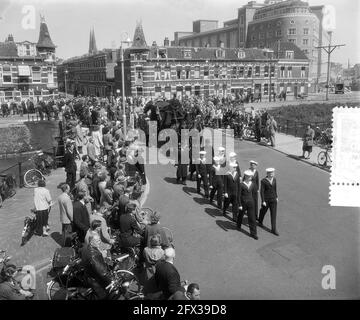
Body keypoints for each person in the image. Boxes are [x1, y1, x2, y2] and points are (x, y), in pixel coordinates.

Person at [79, 233, 112, 300]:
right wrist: (111, 280)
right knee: (103, 295)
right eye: (97, 241)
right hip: (94, 280)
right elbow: (102, 272)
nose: (99, 242)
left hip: (88, 274)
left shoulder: (85, 248)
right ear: (91, 242)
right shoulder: (93, 255)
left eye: (99, 240)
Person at [238, 170, 258, 240]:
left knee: (252, 218)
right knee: (241, 215)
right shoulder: (241, 184)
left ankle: (253, 233)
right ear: (245, 176)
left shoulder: (253, 184)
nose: (250, 178)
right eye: (249, 176)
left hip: (251, 203)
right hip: (243, 203)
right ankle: (238, 225)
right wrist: (239, 204)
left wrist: (254, 203)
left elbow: (254, 194)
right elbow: (239, 195)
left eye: (251, 177)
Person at [258, 168, 279, 236]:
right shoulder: (263, 181)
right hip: (266, 200)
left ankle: (273, 229)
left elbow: (275, 189)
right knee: (263, 211)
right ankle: (260, 221)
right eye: (270, 173)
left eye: (272, 173)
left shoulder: (274, 179)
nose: (272, 174)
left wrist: (276, 197)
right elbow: (262, 191)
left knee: (273, 214)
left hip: (273, 200)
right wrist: (263, 200)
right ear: (267, 174)